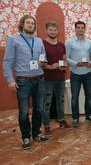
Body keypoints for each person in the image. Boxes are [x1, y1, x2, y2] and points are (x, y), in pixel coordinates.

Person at [3, 15, 48, 150]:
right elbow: (7, 62)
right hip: (23, 81)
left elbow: (44, 59)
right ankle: (25, 137)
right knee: (23, 111)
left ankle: (36, 133)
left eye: (32, 23)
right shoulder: (13, 40)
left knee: (39, 109)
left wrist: (43, 63)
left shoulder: (39, 41)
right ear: (22, 25)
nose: (30, 25)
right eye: (28, 22)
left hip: (39, 79)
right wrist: (10, 79)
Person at [42, 21, 71, 137]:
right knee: (47, 103)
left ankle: (61, 120)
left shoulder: (61, 45)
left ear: (57, 31)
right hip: (47, 79)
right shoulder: (42, 44)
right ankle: (47, 126)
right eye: (50, 30)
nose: (53, 32)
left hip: (60, 78)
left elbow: (64, 59)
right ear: (46, 31)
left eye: (54, 30)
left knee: (61, 101)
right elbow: (41, 62)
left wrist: (64, 65)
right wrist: (49, 66)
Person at [66, 21, 91, 127]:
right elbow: (66, 58)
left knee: (89, 96)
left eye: (82, 27)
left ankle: (89, 116)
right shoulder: (69, 42)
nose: (80, 29)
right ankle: (75, 118)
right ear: (75, 29)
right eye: (78, 27)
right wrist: (75, 63)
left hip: (87, 73)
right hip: (75, 73)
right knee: (75, 97)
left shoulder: (90, 43)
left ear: (85, 29)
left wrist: (90, 64)